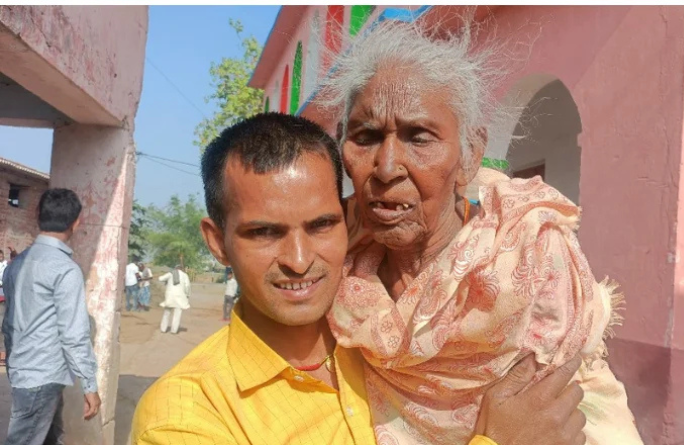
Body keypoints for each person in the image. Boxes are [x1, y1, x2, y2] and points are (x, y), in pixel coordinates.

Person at [132, 113, 584, 445]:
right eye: (264, 232)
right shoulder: (185, 415)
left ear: (350, 220)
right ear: (217, 242)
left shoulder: (391, 343)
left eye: (320, 225)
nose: (298, 259)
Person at [320, 19, 643, 444]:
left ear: (470, 156)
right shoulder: (333, 276)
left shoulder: (531, 259)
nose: (386, 167)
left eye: (419, 137)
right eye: (366, 136)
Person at [1, 188, 101, 445]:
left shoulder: (17, 264)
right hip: (42, 375)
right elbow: (74, 334)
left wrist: (14, 364)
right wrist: (90, 385)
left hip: (28, 371)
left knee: (51, 437)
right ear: (76, 222)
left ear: (37, 215)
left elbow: (9, 324)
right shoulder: (65, 269)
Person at [157, 265, 190, 334]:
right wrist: (187, 295)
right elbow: (187, 286)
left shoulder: (170, 273)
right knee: (177, 314)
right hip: (180, 297)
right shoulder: (185, 275)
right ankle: (174, 330)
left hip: (170, 296)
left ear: (175, 268)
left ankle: (163, 329)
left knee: (166, 313)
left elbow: (160, 279)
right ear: (182, 269)